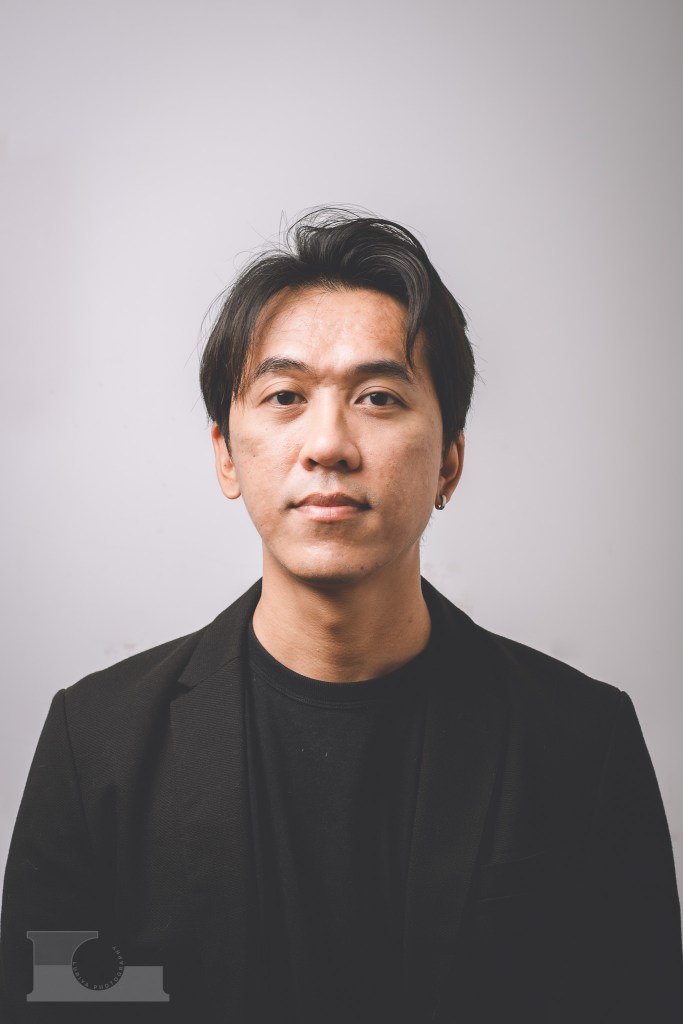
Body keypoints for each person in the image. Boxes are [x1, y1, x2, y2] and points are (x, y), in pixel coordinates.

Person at [1, 206, 681, 1024]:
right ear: (225, 455)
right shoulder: (97, 744)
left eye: (378, 397)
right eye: (285, 395)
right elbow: (54, 1001)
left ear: (449, 461)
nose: (328, 444)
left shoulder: (580, 743)